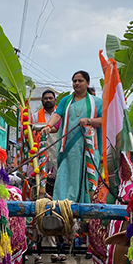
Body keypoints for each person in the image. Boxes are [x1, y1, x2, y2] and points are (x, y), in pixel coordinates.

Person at [41, 71, 102, 204]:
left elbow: (104, 120)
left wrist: (89, 121)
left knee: (86, 177)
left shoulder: (97, 102)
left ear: (88, 83)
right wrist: (48, 126)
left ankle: (85, 209)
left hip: (87, 148)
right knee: (64, 174)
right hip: (68, 147)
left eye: (80, 81)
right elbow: (57, 115)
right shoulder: (66, 100)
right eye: (74, 81)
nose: (77, 83)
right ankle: (62, 205)